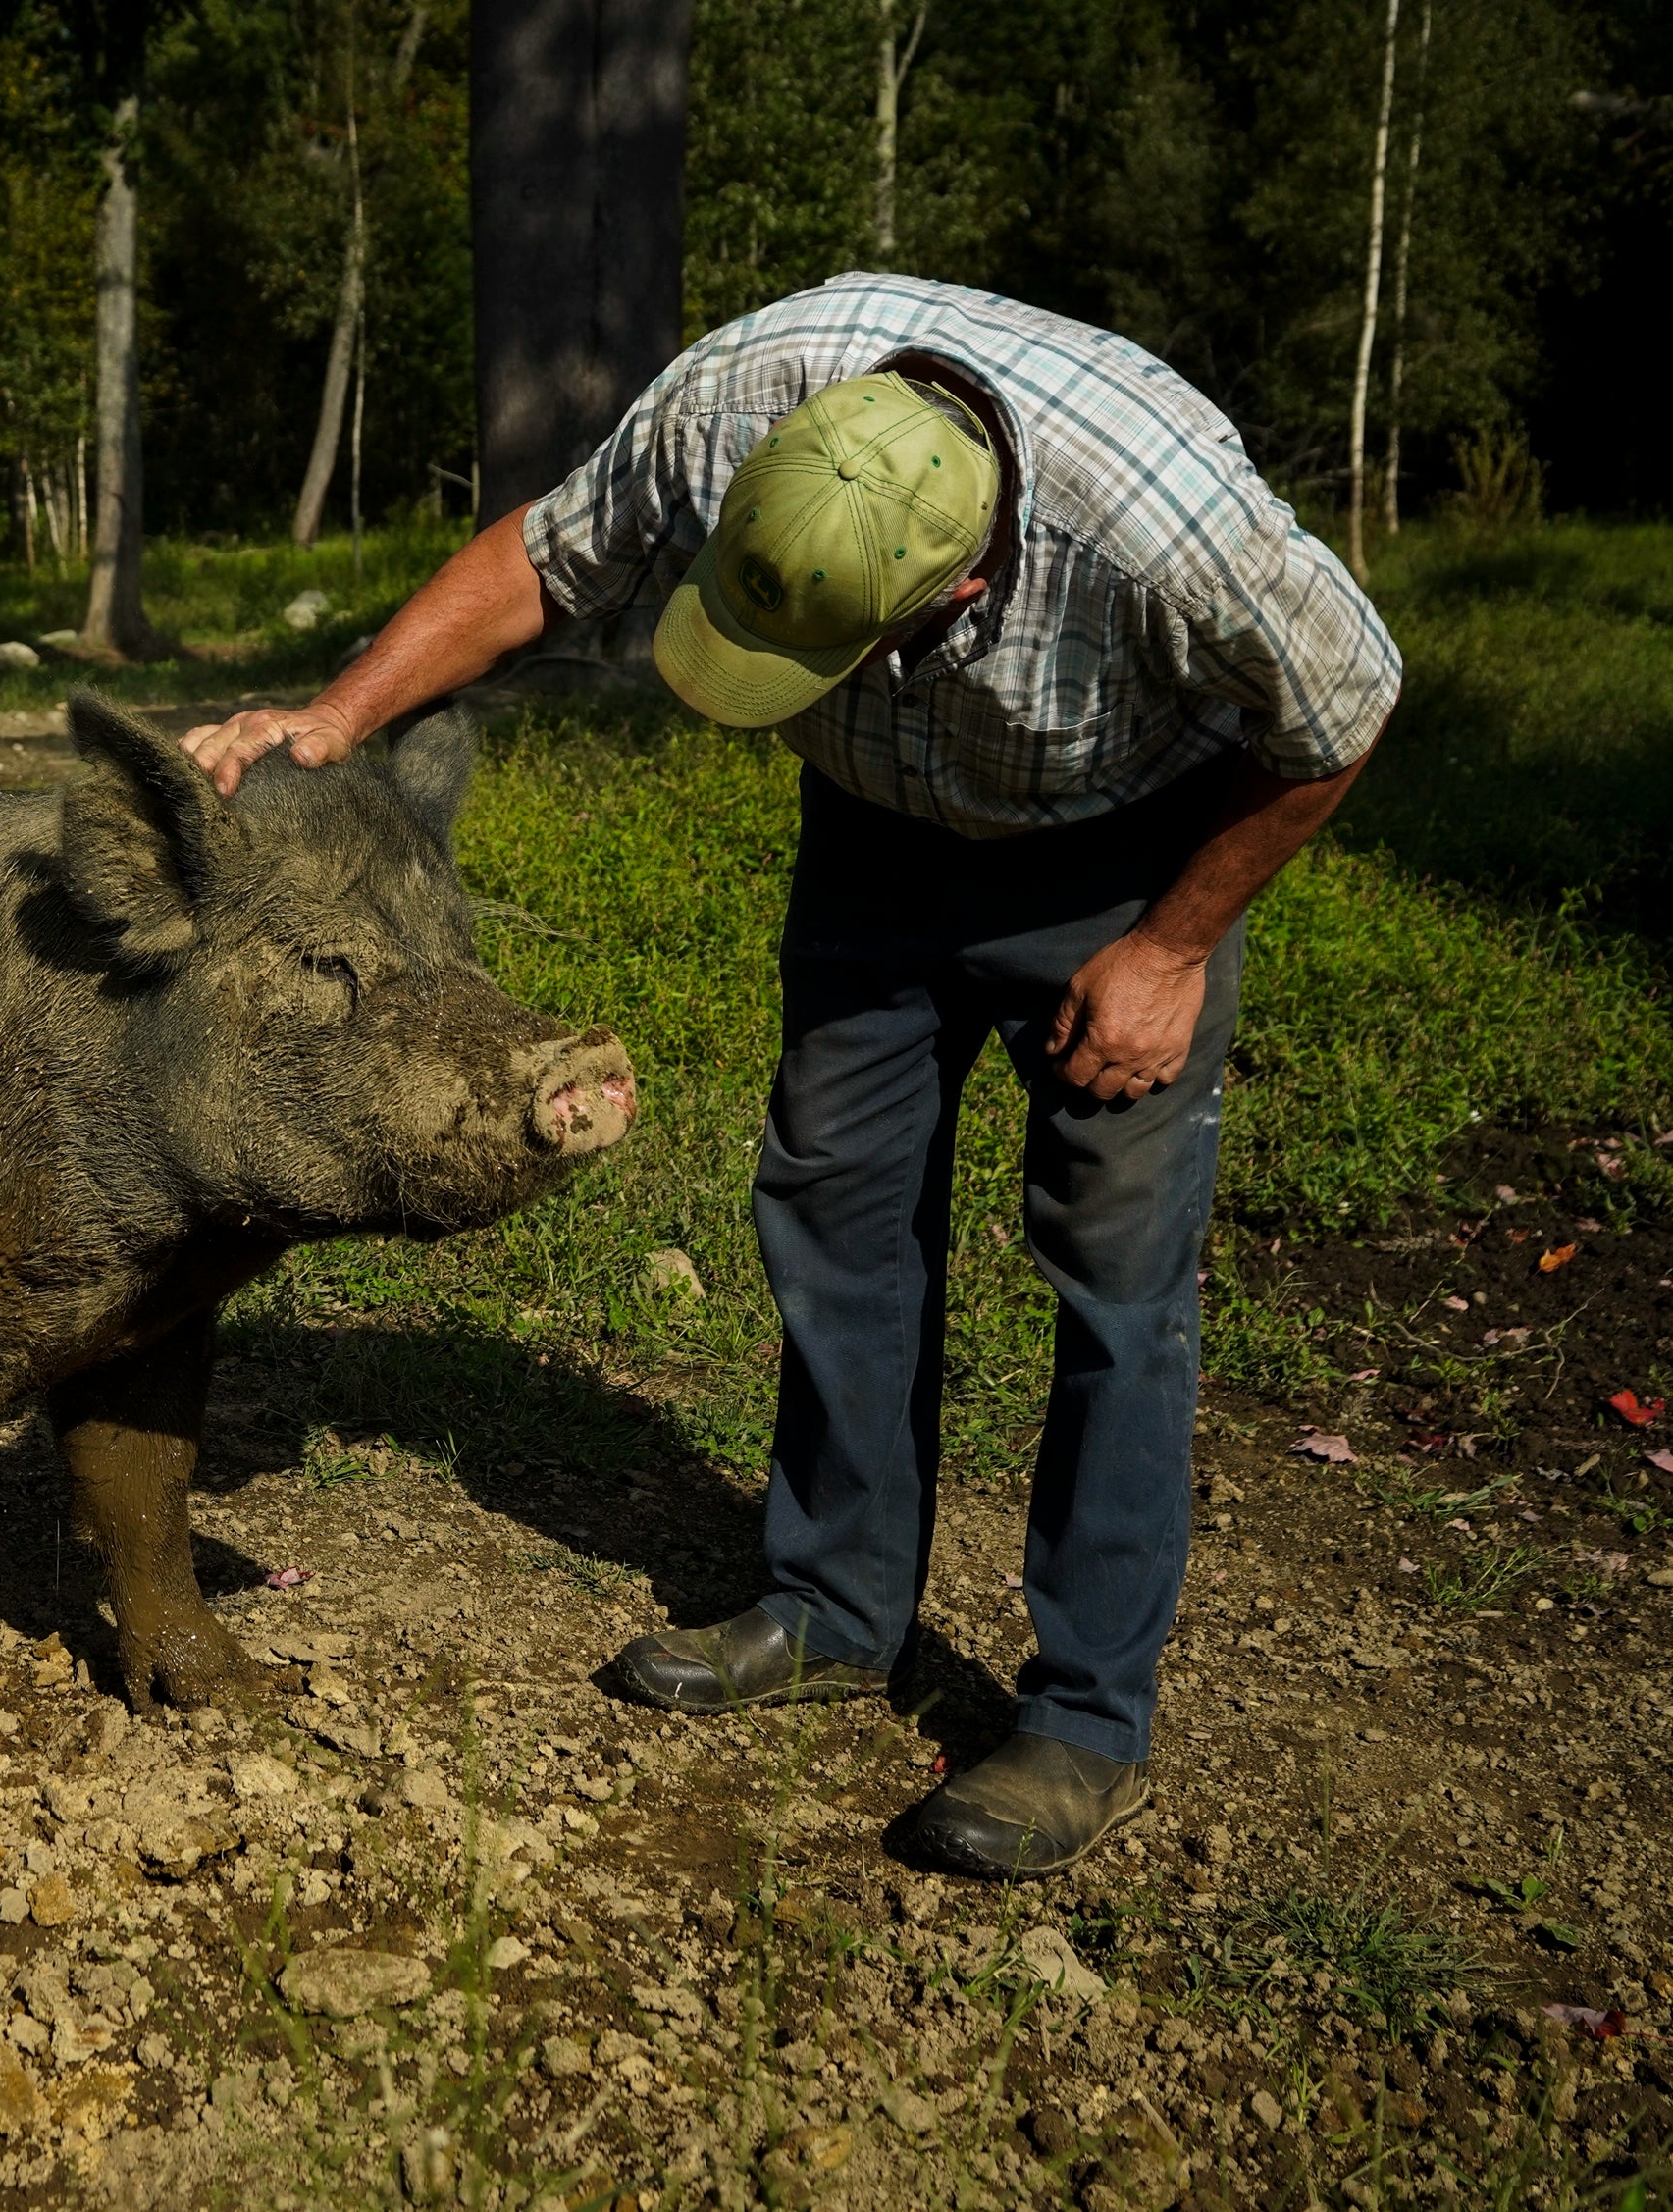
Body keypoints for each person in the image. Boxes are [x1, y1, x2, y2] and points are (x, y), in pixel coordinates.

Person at [183, 273, 1399, 1879]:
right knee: (834, 1201)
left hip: (1117, 858)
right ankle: (835, 1600)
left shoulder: (1163, 524)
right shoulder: (743, 396)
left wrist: (1171, 948)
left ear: (964, 589)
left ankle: (1087, 1715)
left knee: (1112, 1272)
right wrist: (334, 721)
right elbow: (544, 560)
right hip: (878, 844)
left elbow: (1347, 703)